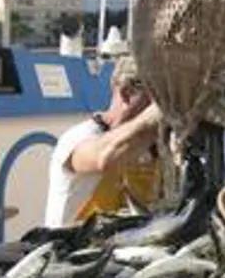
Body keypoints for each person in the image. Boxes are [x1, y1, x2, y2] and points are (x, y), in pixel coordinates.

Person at [45, 55, 164, 226]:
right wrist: (156, 113)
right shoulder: (79, 138)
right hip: (71, 247)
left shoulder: (153, 146)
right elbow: (105, 158)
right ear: (126, 93)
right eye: (156, 97)